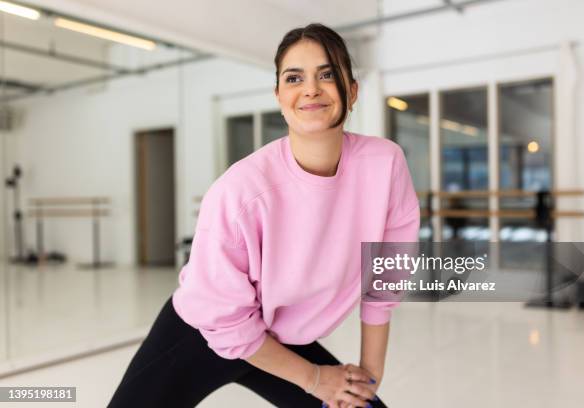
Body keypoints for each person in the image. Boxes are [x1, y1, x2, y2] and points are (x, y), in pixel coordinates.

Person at [109, 23, 419, 408]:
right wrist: (317, 379)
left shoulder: (384, 165)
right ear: (279, 96)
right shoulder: (240, 191)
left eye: (327, 74)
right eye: (294, 78)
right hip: (203, 335)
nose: (311, 89)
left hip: (282, 338)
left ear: (352, 90)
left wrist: (368, 379)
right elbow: (227, 324)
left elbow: (385, 276)